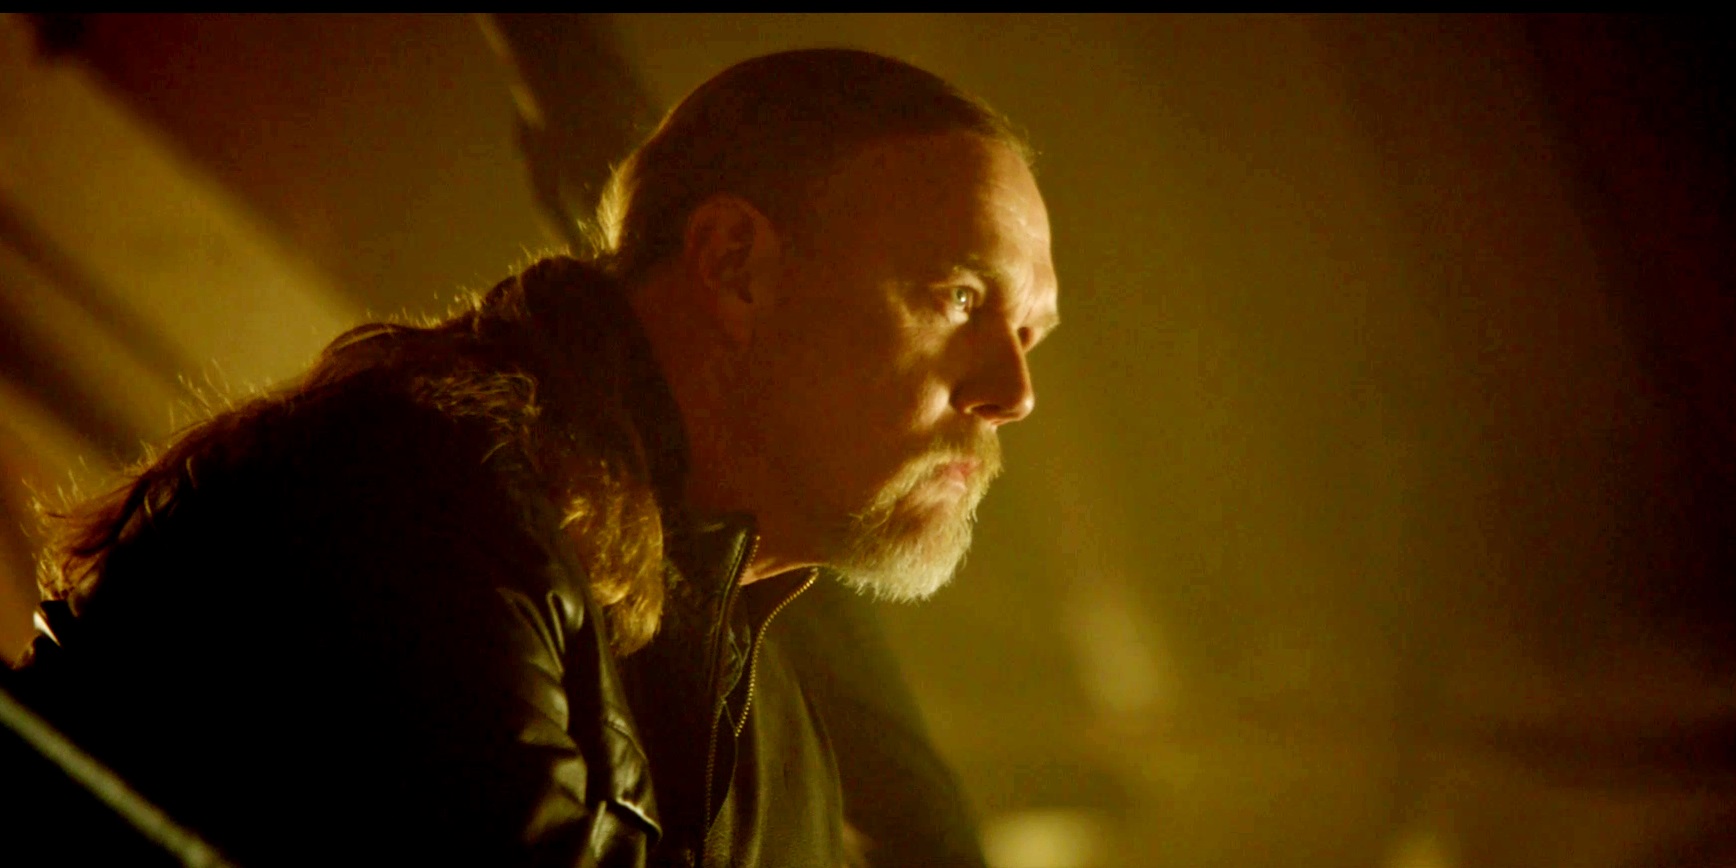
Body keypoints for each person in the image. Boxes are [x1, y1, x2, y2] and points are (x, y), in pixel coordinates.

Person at [7, 48, 1059, 867]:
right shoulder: (416, 496)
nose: (1010, 394)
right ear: (735, 264)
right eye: (958, 298)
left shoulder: (777, 742)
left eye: (1028, 334)